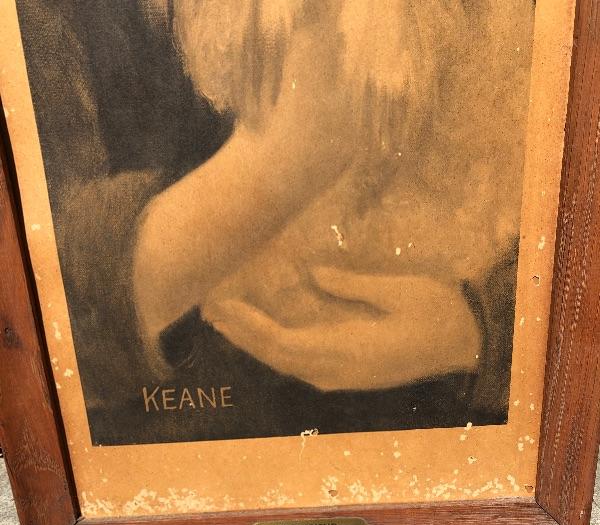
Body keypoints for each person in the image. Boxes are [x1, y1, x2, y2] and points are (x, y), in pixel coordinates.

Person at [17, 0, 534, 445]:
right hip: (186, 432)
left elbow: (560, 219)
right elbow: (38, 293)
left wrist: (478, 330)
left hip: (449, 420)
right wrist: (278, 163)